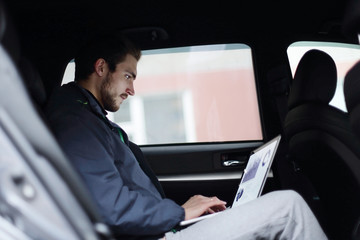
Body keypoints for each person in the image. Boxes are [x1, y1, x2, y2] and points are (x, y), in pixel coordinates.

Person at [45, 34, 328, 240]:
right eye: (129, 76)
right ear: (101, 68)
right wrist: (178, 214)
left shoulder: (89, 118)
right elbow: (110, 208)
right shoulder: (76, 123)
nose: (132, 90)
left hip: (157, 231)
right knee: (288, 208)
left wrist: (181, 211)